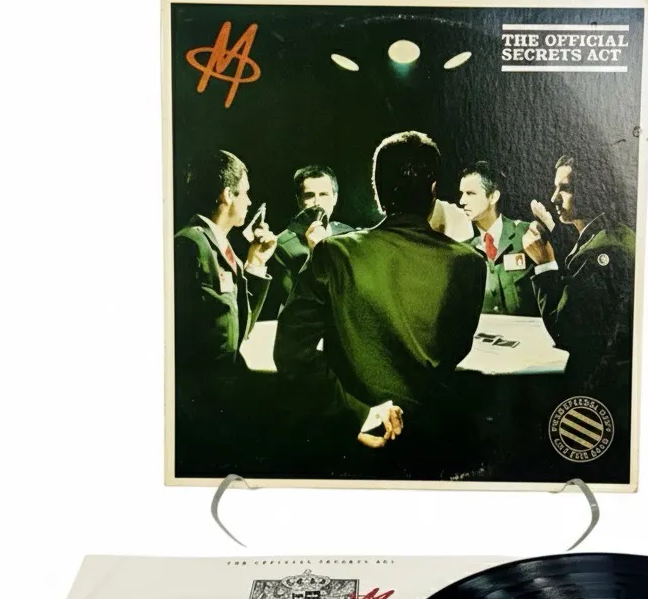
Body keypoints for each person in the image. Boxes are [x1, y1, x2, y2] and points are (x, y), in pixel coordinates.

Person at [273, 131, 486, 472]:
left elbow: (291, 352)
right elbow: (455, 349)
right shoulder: (470, 264)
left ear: (377, 191)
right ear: (434, 190)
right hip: (434, 444)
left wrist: (358, 413)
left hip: (351, 446)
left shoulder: (333, 253)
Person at [173, 149, 277, 474]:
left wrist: (255, 263)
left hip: (224, 404)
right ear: (226, 195)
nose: (249, 201)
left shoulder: (219, 247)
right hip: (202, 413)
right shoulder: (190, 245)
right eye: (244, 193)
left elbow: (238, 328)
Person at [522, 154, 635, 394]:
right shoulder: (617, 234)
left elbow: (565, 331)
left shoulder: (601, 251)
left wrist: (544, 265)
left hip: (600, 386)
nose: (554, 197)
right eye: (555, 187)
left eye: (565, 189)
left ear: (593, 189)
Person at [260, 164, 354, 320]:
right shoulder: (282, 246)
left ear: (335, 198)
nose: (317, 202)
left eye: (324, 194)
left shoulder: (349, 234)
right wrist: (317, 254)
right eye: (309, 195)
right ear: (299, 200)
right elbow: (297, 304)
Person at [459, 161, 537, 317]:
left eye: (470, 193)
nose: (462, 201)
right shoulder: (464, 250)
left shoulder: (526, 233)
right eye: (462, 193)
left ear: (493, 196)